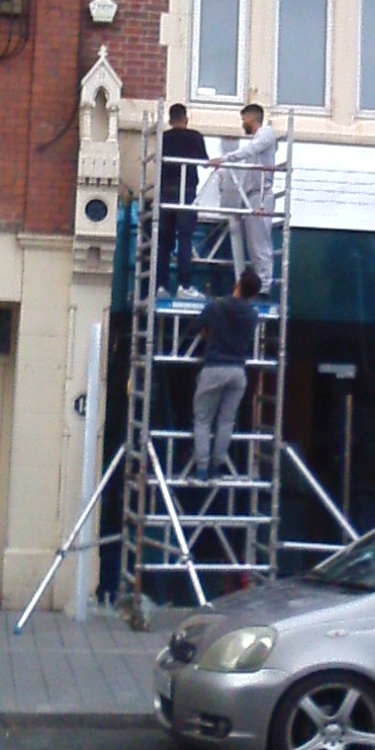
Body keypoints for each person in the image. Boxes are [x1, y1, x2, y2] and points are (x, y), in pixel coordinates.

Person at [192, 268, 261, 479]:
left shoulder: (216, 306)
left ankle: (202, 468)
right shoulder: (252, 316)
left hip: (214, 368)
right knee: (226, 421)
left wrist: (207, 331)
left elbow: (196, 325)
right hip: (238, 372)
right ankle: (216, 466)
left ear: (237, 285)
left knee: (203, 419)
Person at [209, 103, 276, 293]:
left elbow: (250, 150)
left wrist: (225, 158)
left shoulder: (266, 134)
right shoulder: (258, 142)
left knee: (259, 245)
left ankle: (264, 288)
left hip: (260, 196)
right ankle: (260, 286)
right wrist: (241, 205)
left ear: (251, 119)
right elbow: (247, 179)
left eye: (244, 119)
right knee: (254, 246)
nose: (242, 123)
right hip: (253, 196)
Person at [157, 103, 207, 301]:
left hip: (165, 192)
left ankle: (160, 286)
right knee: (185, 239)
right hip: (186, 191)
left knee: (164, 242)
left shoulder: (163, 138)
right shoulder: (195, 137)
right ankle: (184, 286)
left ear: (169, 120)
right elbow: (203, 161)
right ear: (186, 119)